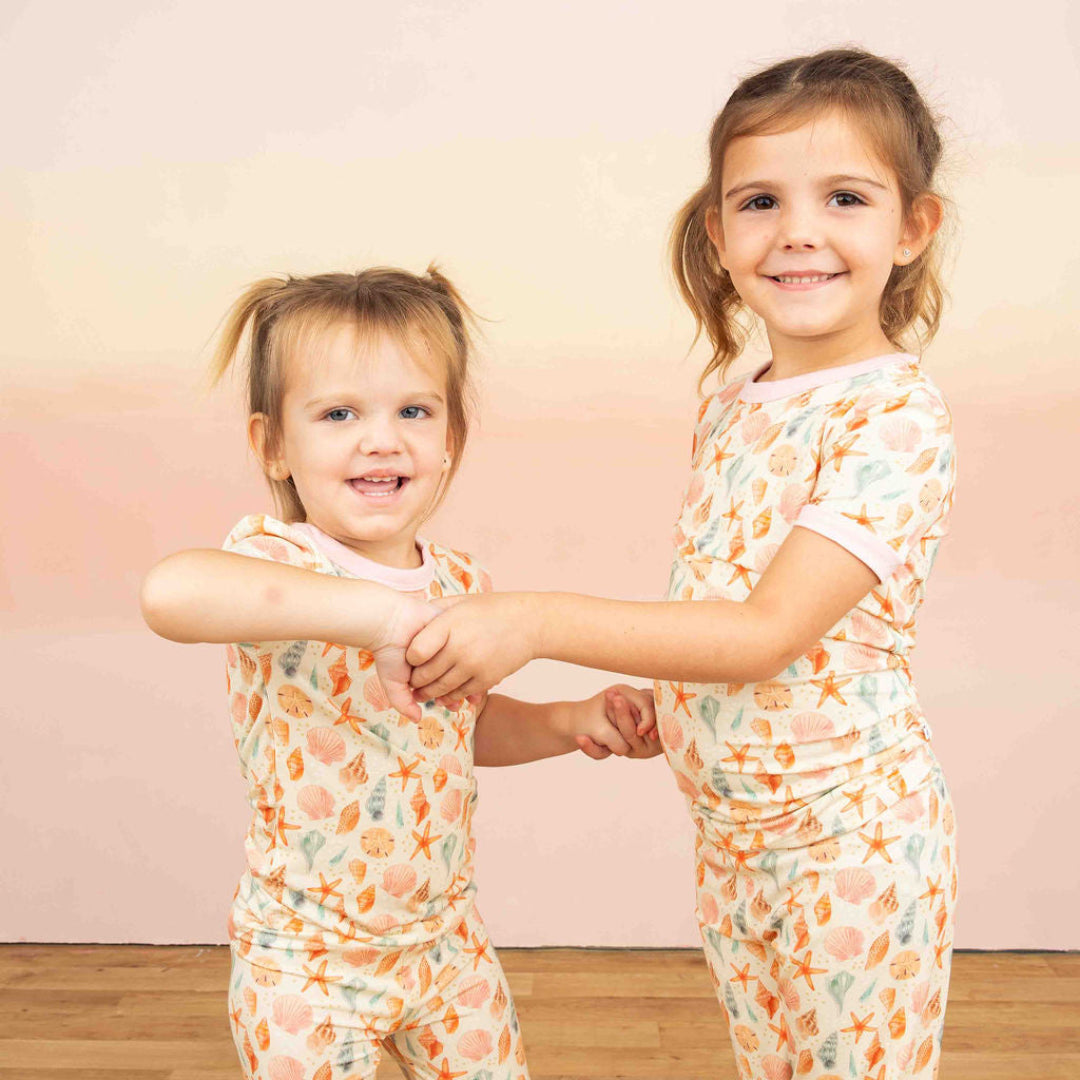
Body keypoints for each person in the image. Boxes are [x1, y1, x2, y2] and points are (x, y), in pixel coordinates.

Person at [404, 49, 958, 1078]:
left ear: (912, 228)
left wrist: (533, 622)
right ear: (718, 232)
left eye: (845, 196)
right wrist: (666, 702)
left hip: (851, 846)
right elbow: (718, 588)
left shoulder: (896, 420)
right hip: (735, 840)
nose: (797, 230)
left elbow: (765, 634)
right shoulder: (736, 402)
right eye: (759, 201)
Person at [139, 266, 659, 1080]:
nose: (382, 439)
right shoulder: (278, 564)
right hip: (306, 964)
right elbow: (170, 594)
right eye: (339, 413)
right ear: (271, 444)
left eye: (414, 411)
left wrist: (570, 720)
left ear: (451, 437)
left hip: (445, 946)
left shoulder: (460, 583)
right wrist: (377, 617)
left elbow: (461, 725)